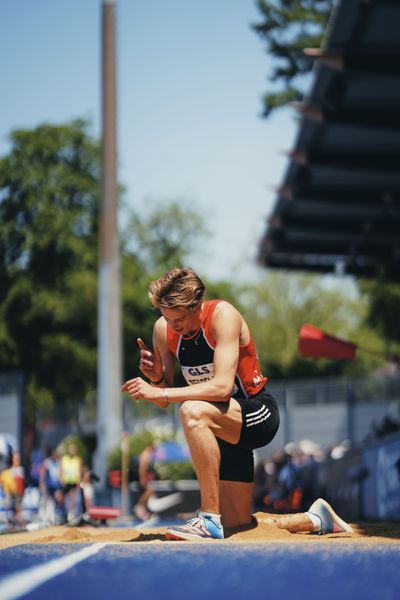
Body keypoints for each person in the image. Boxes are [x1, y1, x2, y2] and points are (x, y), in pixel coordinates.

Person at [122, 267, 353, 541]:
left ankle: (207, 518)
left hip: (256, 412)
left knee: (191, 410)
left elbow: (221, 388)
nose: (173, 326)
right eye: (166, 317)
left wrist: (158, 393)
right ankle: (315, 519)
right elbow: (164, 397)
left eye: (180, 319)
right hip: (220, 426)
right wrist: (158, 377)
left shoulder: (223, 316)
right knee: (236, 524)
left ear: (198, 304)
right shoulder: (163, 329)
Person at [60, 443, 82, 521]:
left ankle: (70, 513)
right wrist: (61, 478)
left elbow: (79, 471)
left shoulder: (77, 459)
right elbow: (61, 469)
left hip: (73, 481)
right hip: (66, 481)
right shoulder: (64, 459)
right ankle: (64, 512)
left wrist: (79, 481)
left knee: (72, 498)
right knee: (62, 497)